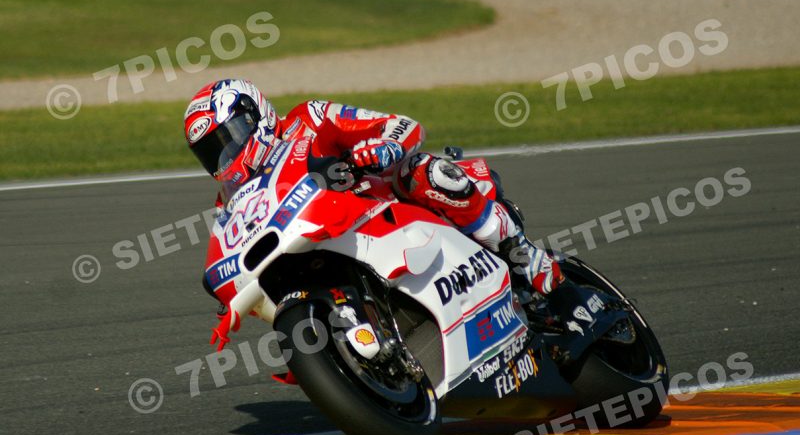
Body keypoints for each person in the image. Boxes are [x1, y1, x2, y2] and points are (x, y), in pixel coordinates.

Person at [184, 79, 584, 331]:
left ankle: (522, 255)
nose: (226, 157)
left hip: (382, 204)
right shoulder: (231, 204)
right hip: (328, 244)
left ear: (257, 114)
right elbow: (227, 249)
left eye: (229, 138)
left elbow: (400, 125)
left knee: (425, 172)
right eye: (213, 153)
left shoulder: (308, 119)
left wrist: (383, 147)